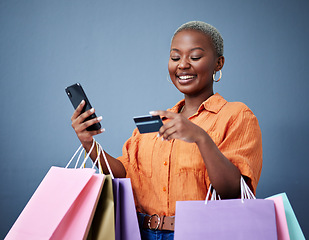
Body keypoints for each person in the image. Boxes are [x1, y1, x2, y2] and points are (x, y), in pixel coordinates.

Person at [71, 21, 263, 240]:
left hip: (201, 234)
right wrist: (88, 143)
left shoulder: (237, 115)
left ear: (218, 63)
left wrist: (201, 137)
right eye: (175, 57)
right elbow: (124, 174)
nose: (182, 65)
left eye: (195, 57)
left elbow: (233, 192)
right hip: (141, 233)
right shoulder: (157, 122)